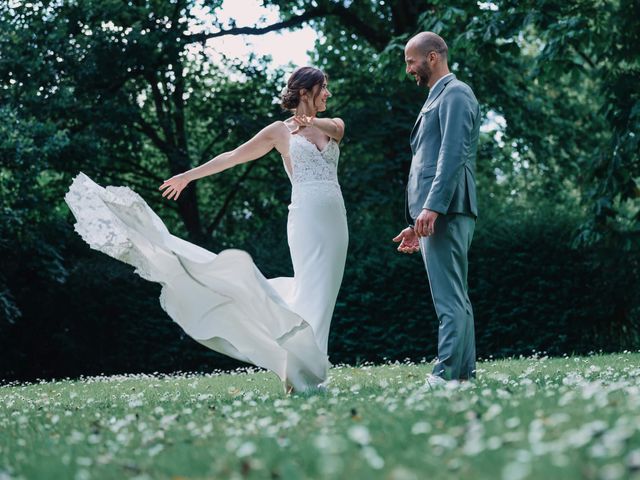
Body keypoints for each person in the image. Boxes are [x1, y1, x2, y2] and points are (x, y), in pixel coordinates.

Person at [65, 66, 348, 393]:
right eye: (323, 88)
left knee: (323, 294)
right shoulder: (278, 132)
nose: (327, 94)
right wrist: (189, 176)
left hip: (335, 223)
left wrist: (309, 121)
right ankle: (304, 375)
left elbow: (336, 130)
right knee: (311, 290)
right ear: (304, 91)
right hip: (305, 220)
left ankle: (303, 368)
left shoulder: (333, 125)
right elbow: (232, 156)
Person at [392, 32, 480, 385]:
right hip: (436, 212)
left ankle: (444, 375)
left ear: (432, 57)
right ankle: (462, 376)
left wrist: (432, 207)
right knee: (455, 294)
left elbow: (452, 153)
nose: (409, 69)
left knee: (449, 298)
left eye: (411, 61)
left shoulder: (456, 92)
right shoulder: (436, 97)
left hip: (448, 208)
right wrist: (417, 222)